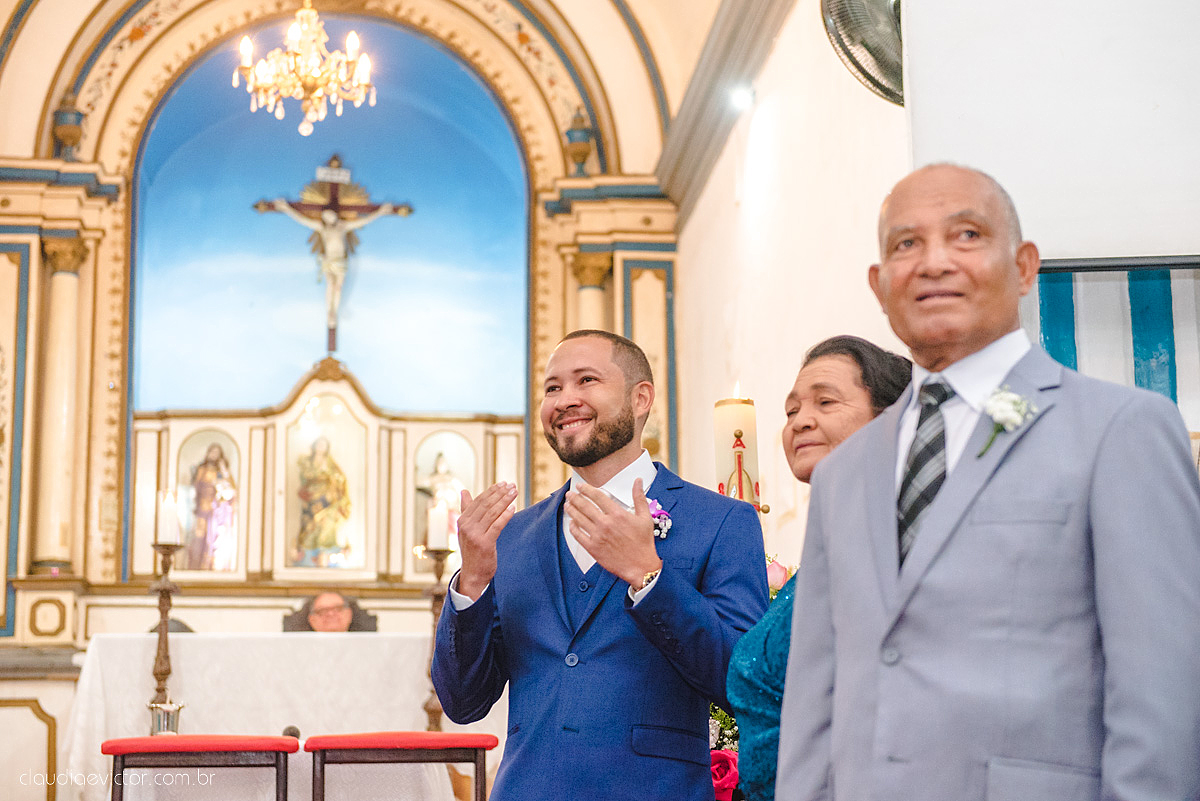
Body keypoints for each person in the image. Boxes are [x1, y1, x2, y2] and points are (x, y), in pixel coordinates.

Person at [775, 164, 1200, 801]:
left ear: (1025, 267)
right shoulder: (843, 474)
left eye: (967, 235)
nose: (933, 262)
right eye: (905, 244)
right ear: (879, 284)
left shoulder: (1120, 431)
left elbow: (1165, 697)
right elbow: (815, 699)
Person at [432, 330, 769, 801]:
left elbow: (740, 681)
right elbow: (463, 702)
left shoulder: (720, 522)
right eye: (552, 388)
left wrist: (650, 578)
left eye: (586, 380)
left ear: (640, 398)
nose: (565, 400)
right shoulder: (513, 536)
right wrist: (472, 581)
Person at [727, 335, 910, 800]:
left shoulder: (902, 541)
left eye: (825, 402)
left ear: (891, 419)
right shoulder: (829, 550)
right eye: (791, 411)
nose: (800, 421)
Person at [269, 199, 396, 331]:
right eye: (326, 215)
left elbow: (363, 221)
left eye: (330, 214)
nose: (328, 216)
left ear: (335, 214)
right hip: (329, 261)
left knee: (338, 287)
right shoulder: (322, 228)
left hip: (341, 262)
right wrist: (287, 209)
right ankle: (329, 312)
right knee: (330, 285)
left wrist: (379, 212)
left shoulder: (343, 226)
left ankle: (334, 311)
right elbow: (303, 220)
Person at [295, 436, 351, 567]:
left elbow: (340, 479)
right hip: (311, 499)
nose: (321, 447)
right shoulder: (306, 462)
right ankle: (310, 551)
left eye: (323, 445)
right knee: (310, 526)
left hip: (326, 500)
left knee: (326, 524)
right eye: (319, 444)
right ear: (314, 446)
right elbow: (304, 479)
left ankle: (325, 551)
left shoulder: (330, 463)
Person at [185, 443, 237, 571]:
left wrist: (224, 470)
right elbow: (193, 487)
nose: (214, 455)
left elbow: (232, 490)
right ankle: (195, 566)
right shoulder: (201, 470)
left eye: (217, 453)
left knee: (213, 540)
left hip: (216, 512)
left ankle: (211, 567)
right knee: (198, 539)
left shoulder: (221, 472)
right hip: (201, 510)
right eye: (212, 452)